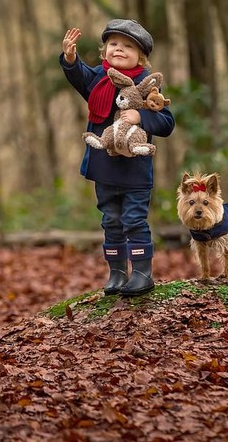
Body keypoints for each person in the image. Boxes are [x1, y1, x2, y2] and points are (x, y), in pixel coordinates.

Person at [60, 19, 175, 296]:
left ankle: (142, 273)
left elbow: (167, 122)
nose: (119, 49)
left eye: (127, 46)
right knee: (110, 219)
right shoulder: (99, 77)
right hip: (105, 167)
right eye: (113, 44)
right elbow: (80, 76)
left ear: (141, 56)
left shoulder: (146, 86)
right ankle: (117, 272)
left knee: (134, 219)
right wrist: (71, 59)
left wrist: (141, 116)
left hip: (135, 169)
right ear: (104, 50)